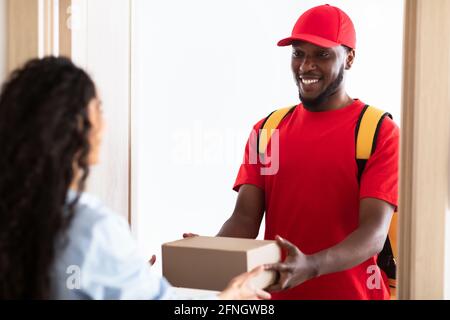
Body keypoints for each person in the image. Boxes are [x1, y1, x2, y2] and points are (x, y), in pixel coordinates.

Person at [0, 57, 271, 300]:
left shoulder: (16, 212)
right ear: (77, 126)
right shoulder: (91, 229)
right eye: (99, 108)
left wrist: (123, 274)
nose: (104, 125)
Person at [186, 4, 399, 300]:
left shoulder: (377, 131)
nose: (305, 66)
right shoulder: (267, 130)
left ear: (349, 58)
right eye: (299, 53)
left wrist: (311, 265)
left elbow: (373, 234)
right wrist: (211, 251)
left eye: (322, 54)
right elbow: (245, 218)